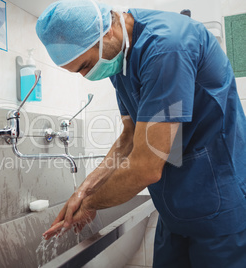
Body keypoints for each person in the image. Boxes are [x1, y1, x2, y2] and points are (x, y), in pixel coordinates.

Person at [36, 0, 246, 267]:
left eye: (85, 66)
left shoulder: (167, 49)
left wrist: (91, 204)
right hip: (174, 210)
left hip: (216, 205)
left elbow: (146, 167)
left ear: (107, 32)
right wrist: (85, 189)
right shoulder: (118, 59)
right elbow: (130, 135)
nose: (86, 76)